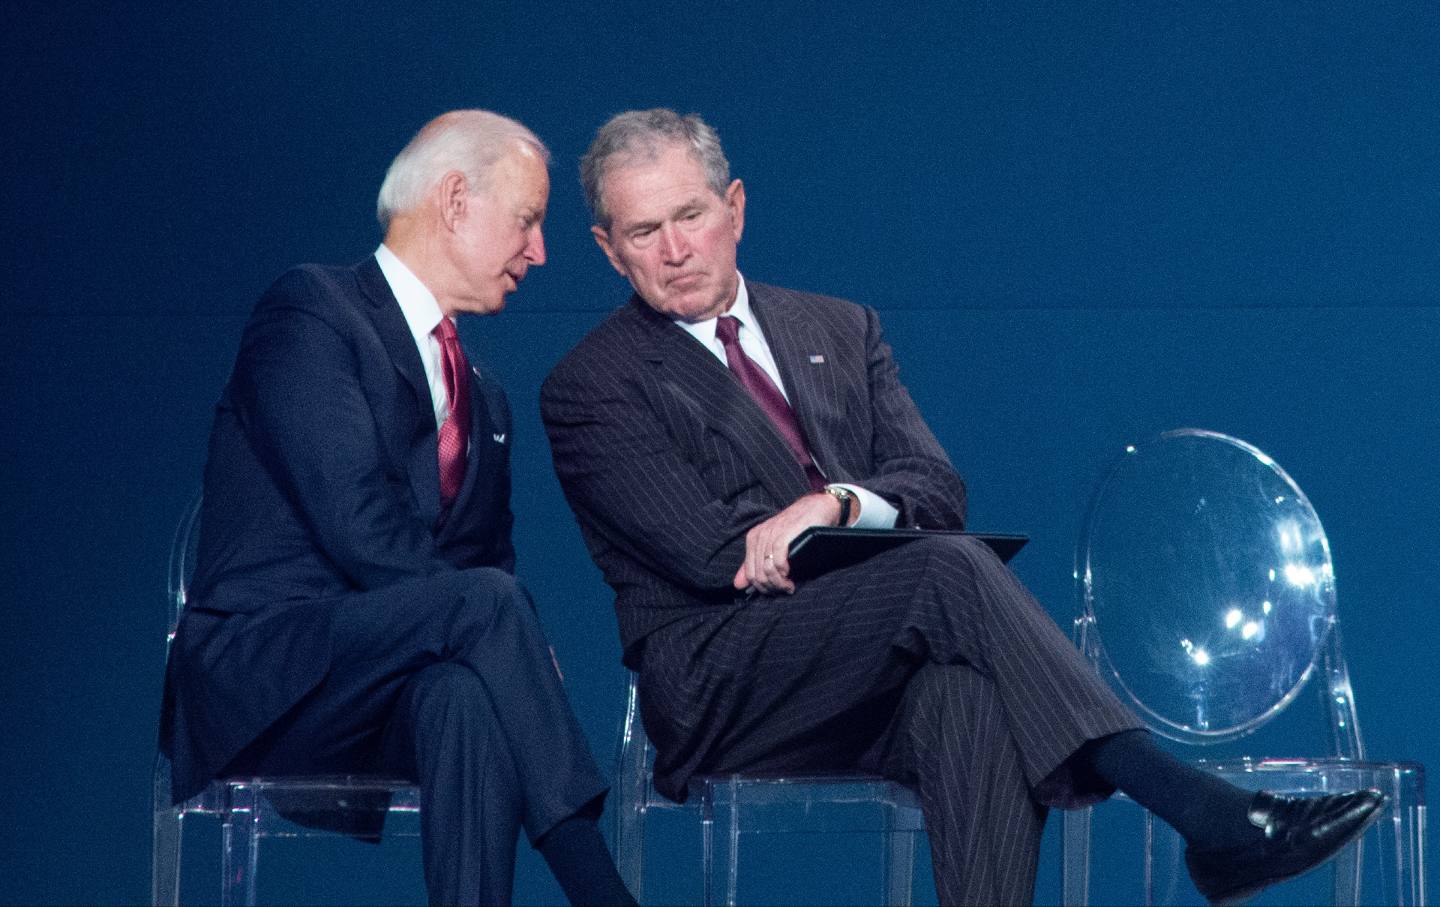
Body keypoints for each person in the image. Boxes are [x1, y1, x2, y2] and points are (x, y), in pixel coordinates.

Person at [540, 108, 1383, 906]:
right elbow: (710, 553)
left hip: (887, 655)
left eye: (690, 215)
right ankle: (1201, 809)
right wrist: (854, 527)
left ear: (736, 207)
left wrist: (834, 504)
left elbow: (935, 488)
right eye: (645, 232)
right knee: (943, 568)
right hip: (729, 679)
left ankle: (1210, 822)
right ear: (610, 251)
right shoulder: (592, 384)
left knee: (967, 695)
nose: (676, 248)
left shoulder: (839, 324)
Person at [159, 110, 635, 907]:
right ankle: (597, 884)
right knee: (486, 611)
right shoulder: (311, 311)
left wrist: (492, 625)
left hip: (391, 686)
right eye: (527, 220)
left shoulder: (485, 397)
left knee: (468, 696)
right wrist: (491, 618)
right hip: (271, 675)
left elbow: (489, 566)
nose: (541, 250)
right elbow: (356, 521)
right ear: (454, 202)